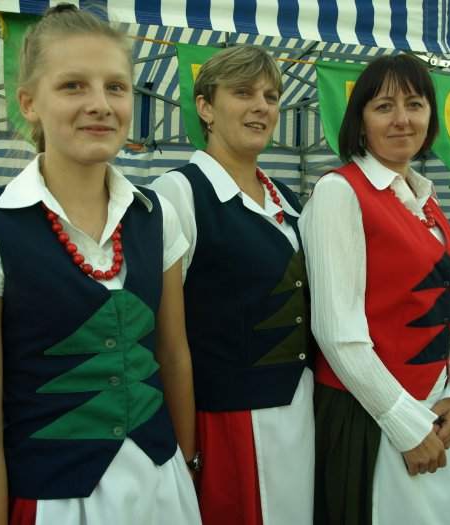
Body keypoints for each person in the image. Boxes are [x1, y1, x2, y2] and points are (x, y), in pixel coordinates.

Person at [0, 6, 200, 524]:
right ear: (29, 103)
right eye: (73, 86)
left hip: (162, 486)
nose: (99, 104)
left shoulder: (156, 216)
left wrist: (187, 462)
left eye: (115, 87)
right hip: (55, 501)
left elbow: (173, 355)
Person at [300, 54, 450, 525]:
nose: (402, 119)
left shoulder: (426, 200)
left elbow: (449, 304)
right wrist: (404, 423)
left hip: (434, 406)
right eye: (384, 106)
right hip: (371, 414)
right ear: (360, 121)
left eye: (415, 104)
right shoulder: (340, 192)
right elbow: (336, 331)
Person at [151, 45, 314, 525]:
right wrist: (186, 449)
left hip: (297, 408)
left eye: (271, 96)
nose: (261, 106)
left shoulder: (285, 198)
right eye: (243, 93)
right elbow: (165, 339)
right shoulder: (178, 193)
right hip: (227, 419)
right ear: (205, 107)